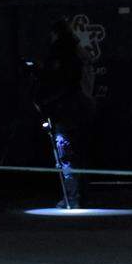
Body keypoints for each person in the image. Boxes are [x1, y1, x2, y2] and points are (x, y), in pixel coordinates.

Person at [35, 17, 96, 208]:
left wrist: (44, 98)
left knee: (65, 154)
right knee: (79, 154)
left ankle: (72, 197)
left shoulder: (61, 56)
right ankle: (81, 195)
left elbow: (60, 84)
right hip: (83, 109)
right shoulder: (79, 53)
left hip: (66, 111)